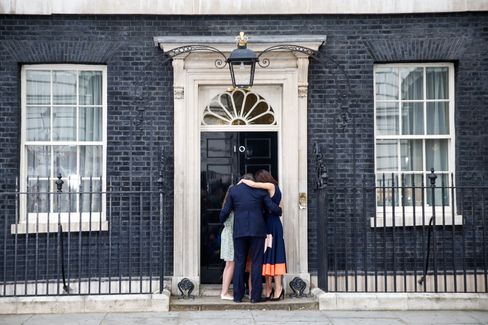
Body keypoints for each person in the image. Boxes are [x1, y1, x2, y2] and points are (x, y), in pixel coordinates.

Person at [219, 173, 282, 303]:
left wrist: (222, 220)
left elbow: (225, 211)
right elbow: (272, 208)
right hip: (258, 231)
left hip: (240, 231)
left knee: (240, 262)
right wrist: (279, 210)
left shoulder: (233, 190)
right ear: (252, 181)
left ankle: (238, 296)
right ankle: (255, 296)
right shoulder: (260, 191)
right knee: (256, 263)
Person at [241, 169, 286, 301]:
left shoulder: (272, 186)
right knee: (267, 257)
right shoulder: (268, 192)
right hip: (266, 225)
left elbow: (254, 185)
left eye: (259, 180)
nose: (258, 183)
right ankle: (268, 289)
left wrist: (244, 181)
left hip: (273, 226)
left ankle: (278, 288)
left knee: (275, 255)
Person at [220, 188, 234, 300]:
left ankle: (225, 291)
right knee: (230, 264)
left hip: (227, 235)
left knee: (228, 265)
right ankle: (224, 292)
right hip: (230, 237)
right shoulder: (231, 208)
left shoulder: (226, 205)